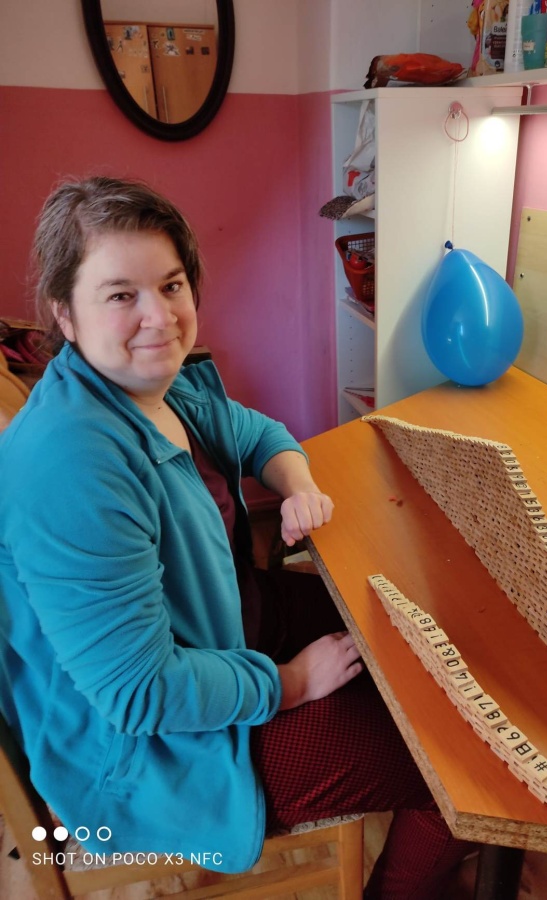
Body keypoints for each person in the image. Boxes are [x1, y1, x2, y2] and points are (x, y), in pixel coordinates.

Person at [0, 176, 473, 898]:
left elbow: (257, 433)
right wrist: (293, 683)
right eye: (121, 294)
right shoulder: (72, 465)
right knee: (457, 769)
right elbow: (141, 694)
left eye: (172, 285)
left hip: (227, 631)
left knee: (410, 629)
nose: (160, 316)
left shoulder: (153, 388)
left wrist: (298, 484)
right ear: (65, 314)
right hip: (154, 755)